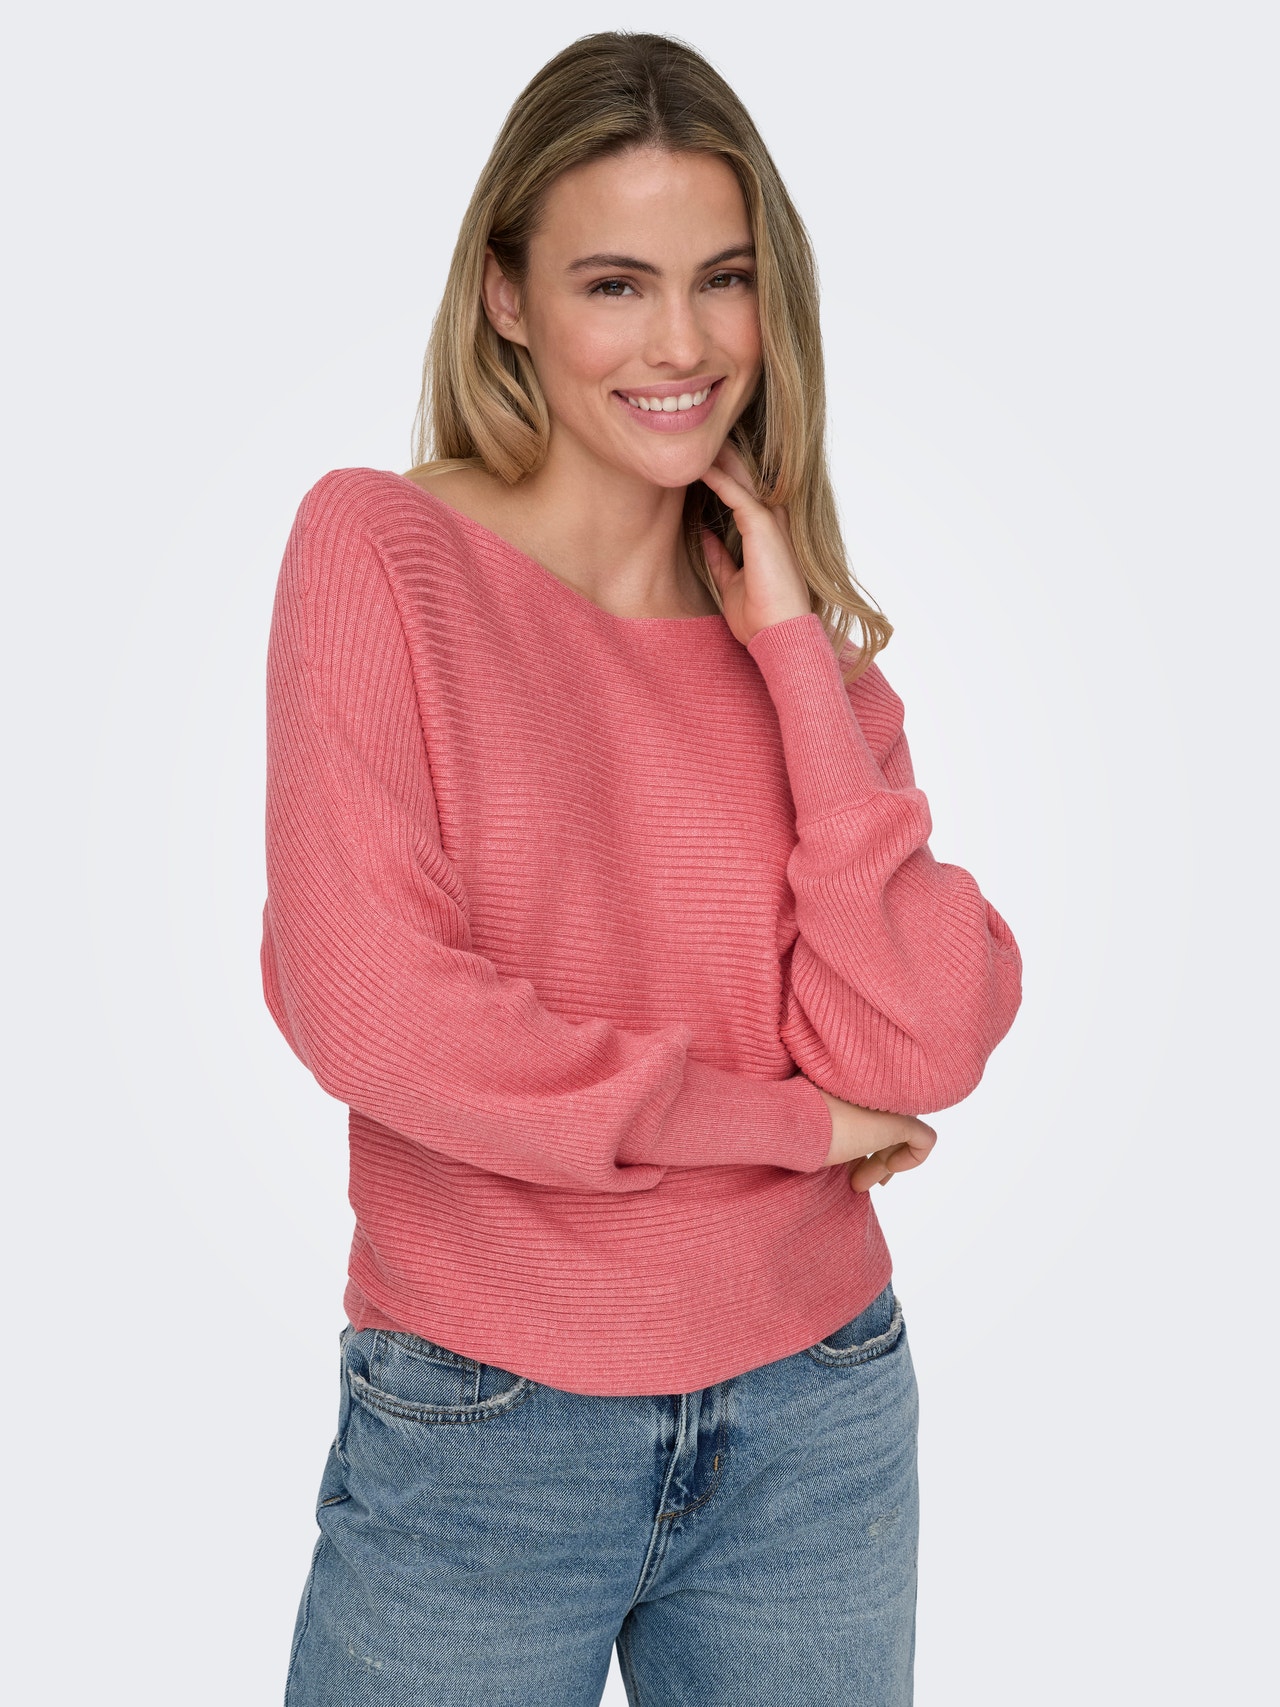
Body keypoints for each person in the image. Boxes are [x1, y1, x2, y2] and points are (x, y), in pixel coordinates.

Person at [261, 29, 1023, 1707]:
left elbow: (915, 1040)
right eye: (616, 283)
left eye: (723, 280)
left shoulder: (805, 657)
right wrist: (791, 1128)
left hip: (818, 1413)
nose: (683, 344)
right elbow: (374, 1014)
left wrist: (792, 655)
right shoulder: (379, 556)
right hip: (483, 1424)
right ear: (506, 297)